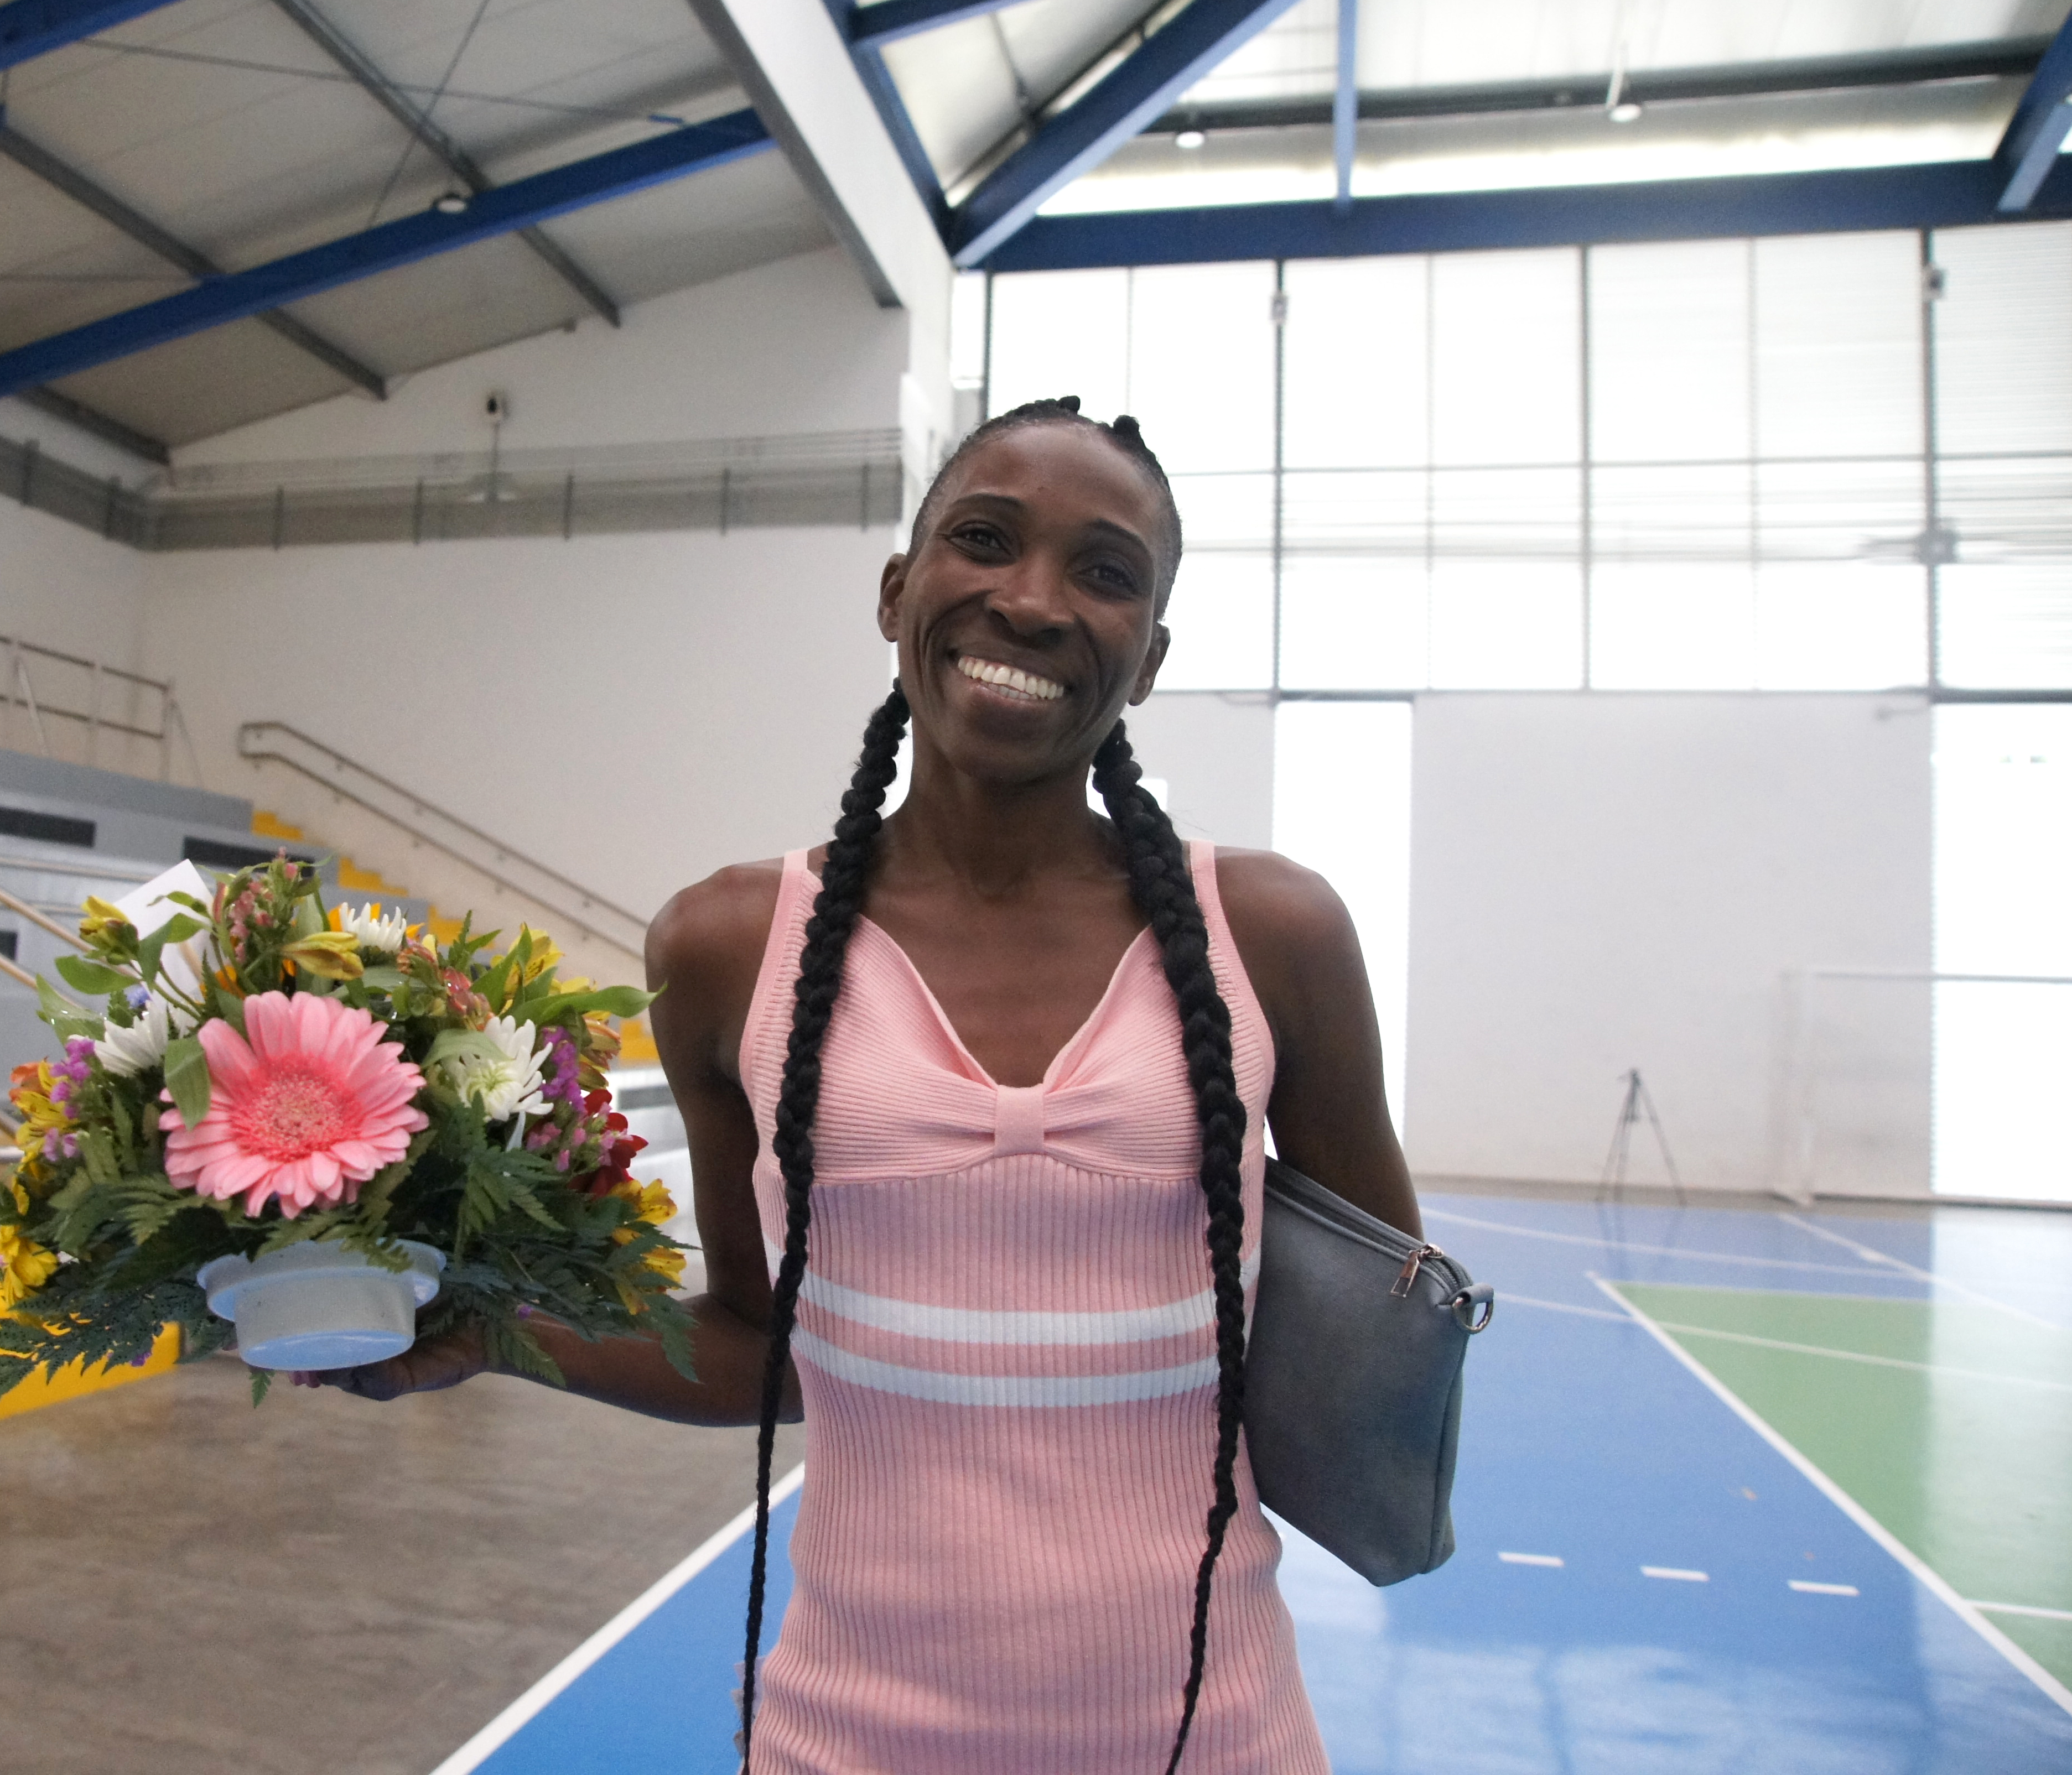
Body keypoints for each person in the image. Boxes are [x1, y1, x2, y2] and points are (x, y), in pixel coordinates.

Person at [300, 397, 1421, 1774]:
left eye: (1103, 571)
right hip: (850, 1741)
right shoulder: (725, 947)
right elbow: (750, 1350)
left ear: (1150, 654)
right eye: (984, 541)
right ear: (900, 591)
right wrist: (484, 1330)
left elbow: (1380, 1354)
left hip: (1216, 1736)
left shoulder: (1273, 933)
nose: (1031, 600)